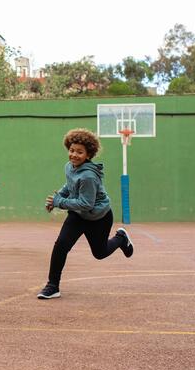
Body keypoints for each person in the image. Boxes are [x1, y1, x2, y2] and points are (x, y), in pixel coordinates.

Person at [37, 128, 133, 299]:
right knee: (61, 245)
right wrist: (57, 197)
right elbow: (70, 186)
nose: (74, 155)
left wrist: (60, 202)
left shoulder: (88, 176)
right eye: (72, 150)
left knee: (100, 253)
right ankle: (52, 286)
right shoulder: (69, 167)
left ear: (88, 155)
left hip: (99, 218)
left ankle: (120, 238)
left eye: (79, 152)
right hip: (78, 215)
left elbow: (86, 204)